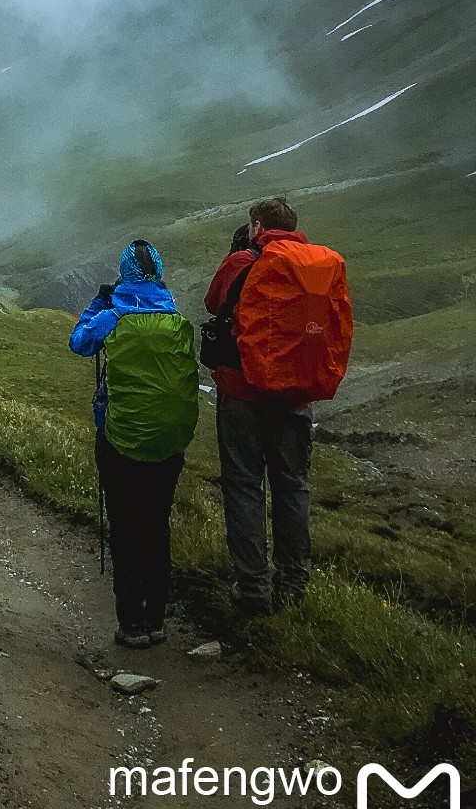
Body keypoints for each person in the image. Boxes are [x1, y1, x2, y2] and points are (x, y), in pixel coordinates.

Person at [203, 195, 352, 615]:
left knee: (245, 484)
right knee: (292, 486)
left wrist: (237, 256)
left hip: (243, 391)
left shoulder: (245, 261)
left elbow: (215, 303)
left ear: (256, 226)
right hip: (297, 397)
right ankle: (293, 585)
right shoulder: (319, 265)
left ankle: (252, 587)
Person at [69, 240, 199, 648]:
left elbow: (79, 342)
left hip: (121, 441)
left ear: (124, 274)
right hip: (168, 444)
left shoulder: (112, 317)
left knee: (125, 528)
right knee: (156, 525)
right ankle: (157, 620)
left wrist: (97, 301)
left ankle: (131, 624)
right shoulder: (176, 320)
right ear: (158, 274)